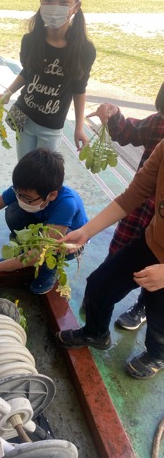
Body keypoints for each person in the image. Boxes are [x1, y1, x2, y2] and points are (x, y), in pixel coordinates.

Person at [56, 138, 164, 379]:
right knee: (99, 284)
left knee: (160, 318)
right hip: (151, 242)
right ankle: (96, 333)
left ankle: (156, 355)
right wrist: (86, 231)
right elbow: (133, 195)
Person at [82, 82, 164, 331]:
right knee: (106, 275)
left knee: (159, 308)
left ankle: (153, 344)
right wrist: (86, 231)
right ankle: (97, 323)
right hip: (148, 226)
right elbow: (135, 193)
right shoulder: (161, 137)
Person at [0, 0, 96, 160]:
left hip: (51, 127)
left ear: (76, 6)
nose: (54, 5)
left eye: (64, 1)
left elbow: (79, 88)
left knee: (42, 176)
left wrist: (79, 127)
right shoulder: (30, 41)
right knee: (24, 168)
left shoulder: (84, 51)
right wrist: (8, 92)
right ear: (41, 1)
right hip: (24, 117)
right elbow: (28, 72)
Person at [0, 148, 88, 294]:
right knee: (13, 211)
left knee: (55, 248)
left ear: (52, 195)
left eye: (27, 198)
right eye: (19, 194)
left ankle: (48, 270)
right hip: (41, 227)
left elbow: (40, 251)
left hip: (67, 242)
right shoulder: (25, 189)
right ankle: (22, 253)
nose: (21, 198)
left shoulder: (67, 204)